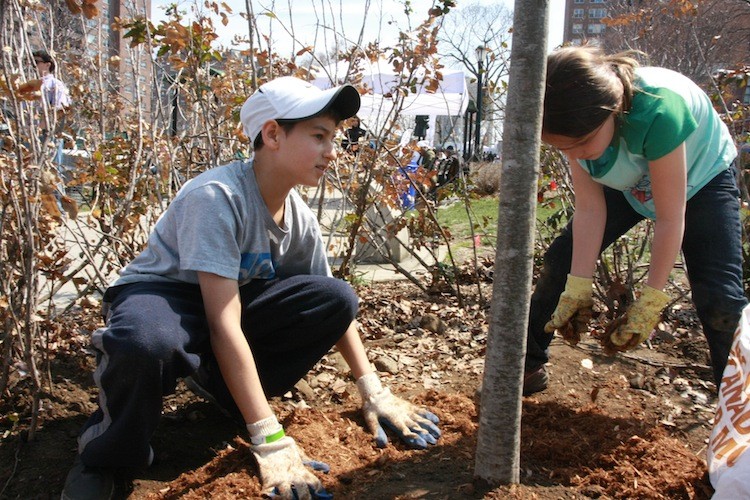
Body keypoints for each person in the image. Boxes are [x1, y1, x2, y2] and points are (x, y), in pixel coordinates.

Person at [60, 76, 441, 500]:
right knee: (147, 341)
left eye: (333, 138)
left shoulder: (297, 216)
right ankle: (104, 455)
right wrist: (269, 437)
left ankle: (222, 392)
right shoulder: (217, 197)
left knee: (336, 299)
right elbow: (224, 325)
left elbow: (333, 309)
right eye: (319, 136)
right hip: (165, 297)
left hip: (227, 304)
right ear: (273, 133)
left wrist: (374, 390)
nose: (332, 152)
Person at [524, 46, 747, 396]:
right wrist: (577, 286)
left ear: (611, 111)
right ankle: (528, 365)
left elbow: (670, 217)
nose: (574, 157)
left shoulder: (659, 111)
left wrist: (651, 301)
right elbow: (590, 209)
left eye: (581, 144)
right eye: (563, 149)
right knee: (560, 262)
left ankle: (739, 412)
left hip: (701, 177)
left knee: (720, 299)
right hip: (631, 178)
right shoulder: (577, 127)